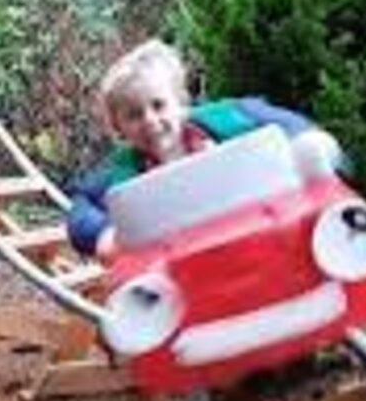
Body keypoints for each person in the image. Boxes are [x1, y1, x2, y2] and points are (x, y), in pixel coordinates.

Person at [66, 39, 346, 257]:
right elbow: (82, 204)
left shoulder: (227, 118)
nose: (150, 121)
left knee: (310, 149)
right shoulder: (123, 168)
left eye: (158, 105)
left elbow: (295, 127)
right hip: (183, 262)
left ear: (180, 103)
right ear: (119, 127)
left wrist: (313, 148)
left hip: (259, 232)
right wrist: (102, 234)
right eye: (134, 115)